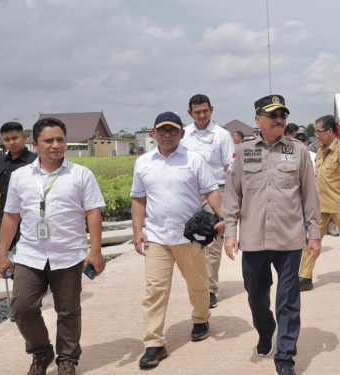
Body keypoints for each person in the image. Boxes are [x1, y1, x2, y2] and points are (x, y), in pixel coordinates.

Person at [0, 117, 106, 375]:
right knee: (22, 307)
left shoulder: (81, 174)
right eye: (49, 140)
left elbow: (93, 213)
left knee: (68, 310)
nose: (56, 145)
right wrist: (3, 254)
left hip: (68, 254)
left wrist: (95, 250)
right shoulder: (20, 177)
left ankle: (67, 358)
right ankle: (41, 350)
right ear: (35, 144)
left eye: (60, 140)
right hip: (30, 254)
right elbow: (11, 216)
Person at [224, 94, 321, 375]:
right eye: (273, 115)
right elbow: (232, 195)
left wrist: (313, 233)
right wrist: (230, 231)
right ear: (258, 120)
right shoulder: (243, 152)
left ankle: (286, 356)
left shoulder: (298, 151)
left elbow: (309, 196)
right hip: (254, 238)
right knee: (256, 296)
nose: (279, 120)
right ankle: (266, 330)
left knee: (288, 298)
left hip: (290, 238)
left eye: (282, 115)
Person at [132, 111, 224, 369]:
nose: (168, 135)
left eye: (173, 130)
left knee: (197, 283)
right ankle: (154, 343)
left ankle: (201, 318)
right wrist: (137, 229)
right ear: (153, 134)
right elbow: (138, 199)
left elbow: (211, 191)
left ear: (182, 134)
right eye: (162, 130)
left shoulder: (194, 160)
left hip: (189, 236)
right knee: (155, 290)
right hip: (157, 236)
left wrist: (223, 216)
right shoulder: (143, 163)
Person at [182, 94, 235, 309]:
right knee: (190, 242)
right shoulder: (183, 134)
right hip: (188, 193)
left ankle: (210, 289)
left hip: (215, 192)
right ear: (190, 113)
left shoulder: (222, 135)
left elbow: (230, 167)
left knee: (213, 244)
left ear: (211, 110)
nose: (202, 115)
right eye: (197, 112)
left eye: (205, 111)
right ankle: (197, 285)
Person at [298, 115, 340, 292]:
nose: (317, 134)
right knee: (312, 239)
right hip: (320, 205)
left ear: (331, 131)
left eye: (320, 131)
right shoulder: (320, 151)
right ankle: (305, 276)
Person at [0, 121, 37, 271]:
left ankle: (26, 288)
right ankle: (20, 282)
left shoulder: (36, 161)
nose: (11, 142)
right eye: (7, 139)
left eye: (15, 138)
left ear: (24, 137)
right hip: (4, 217)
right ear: (2, 141)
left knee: (30, 258)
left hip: (29, 218)